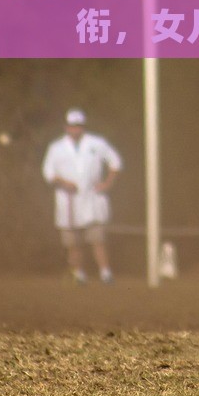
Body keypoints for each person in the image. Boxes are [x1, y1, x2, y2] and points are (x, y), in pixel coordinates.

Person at [42, 108, 122, 284]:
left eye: (78, 126)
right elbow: (48, 173)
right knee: (73, 242)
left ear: (83, 127)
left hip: (92, 199)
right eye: (72, 126)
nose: (75, 129)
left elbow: (115, 162)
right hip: (68, 200)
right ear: (66, 127)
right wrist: (64, 183)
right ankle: (78, 273)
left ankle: (105, 272)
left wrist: (107, 183)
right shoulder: (56, 148)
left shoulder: (97, 143)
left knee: (98, 239)